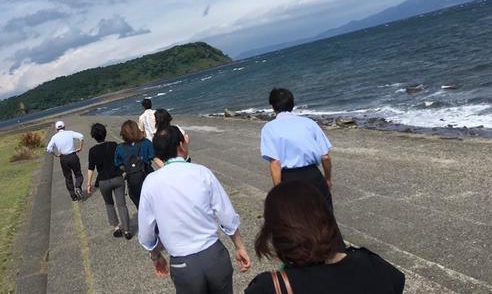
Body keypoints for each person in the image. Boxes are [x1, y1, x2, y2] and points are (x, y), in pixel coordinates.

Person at [138, 126, 252, 293]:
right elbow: (226, 214)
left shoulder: (150, 182)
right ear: (181, 145)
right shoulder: (201, 172)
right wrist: (239, 246)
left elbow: (147, 233)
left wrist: (156, 256)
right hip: (214, 255)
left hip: (183, 264)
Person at [245, 181, 405, 293]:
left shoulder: (270, 287)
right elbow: (397, 282)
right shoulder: (372, 265)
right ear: (326, 218)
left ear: (275, 232)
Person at [260, 88, 334, 211]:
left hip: (289, 179)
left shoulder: (268, 128)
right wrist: (327, 179)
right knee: (326, 216)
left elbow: (275, 163)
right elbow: (325, 156)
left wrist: (278, 192)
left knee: (297, 220)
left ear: (273, 107)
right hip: (314, 175)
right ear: (292, 104)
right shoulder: (309, 123)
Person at [85, 123, 132, 239]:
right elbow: (121, 161)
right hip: (117, 178)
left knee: (109, 204)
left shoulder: (92, 151)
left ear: (93, 136)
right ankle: (127, 231)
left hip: (103, 182)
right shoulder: (114, 145)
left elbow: (91, 168)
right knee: (122, 204)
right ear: (105, 133)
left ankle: (116, 228)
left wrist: (88, 184)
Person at [114, 120, 154, 209]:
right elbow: (153, 157)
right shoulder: (146, 142)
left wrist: (130, 168)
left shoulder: (120, 148)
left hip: (133, 182)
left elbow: (119, 165)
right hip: (148, 178)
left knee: (141, 208)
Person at [46, 120, 84, 201]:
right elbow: (81, 136)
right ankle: (78, 186)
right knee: (78, 174)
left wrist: (56, 155)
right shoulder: (70, 133)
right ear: (64, 126)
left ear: (56, 129)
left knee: (68, 177)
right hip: (73, 156)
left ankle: (74, 197)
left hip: (63, 158)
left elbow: (48, 149)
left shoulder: (54, 137)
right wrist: (80, 147)